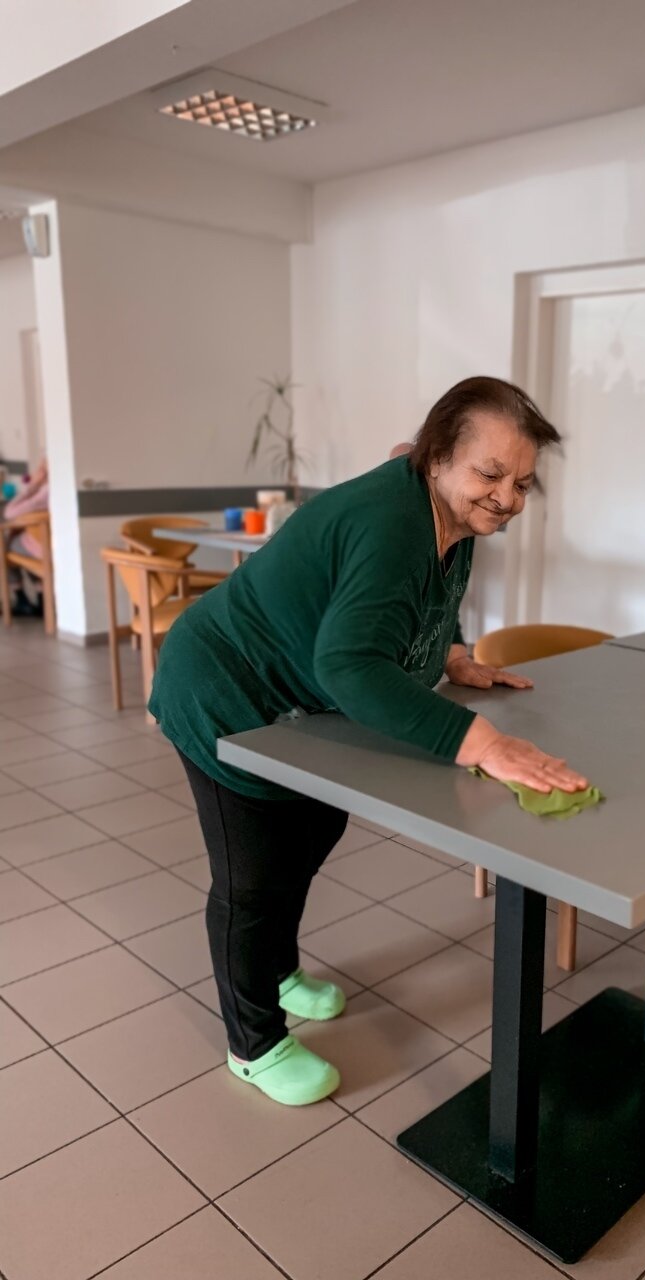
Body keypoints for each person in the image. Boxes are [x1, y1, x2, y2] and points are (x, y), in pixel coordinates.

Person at [149, 376, 587, 1106]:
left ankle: (277, 970)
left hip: (302, 709)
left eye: (521, 483)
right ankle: (253, 1043)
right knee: (252, 878)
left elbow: (430, 594)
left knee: (311, 833)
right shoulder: (392, 522)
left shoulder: (448, 512)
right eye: (490, 474)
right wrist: (482, 744)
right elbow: (349, 664)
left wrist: (453, 655)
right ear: (437, 457)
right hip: (223, 691)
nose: (507, 498)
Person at [3, 458, 49, 617]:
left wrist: (33, 485)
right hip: (54, 546)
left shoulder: (46, 492)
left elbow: (9, 512)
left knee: (5, 548)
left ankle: (21, 599)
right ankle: (42, 597)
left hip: (42, 549)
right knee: (22, 543)